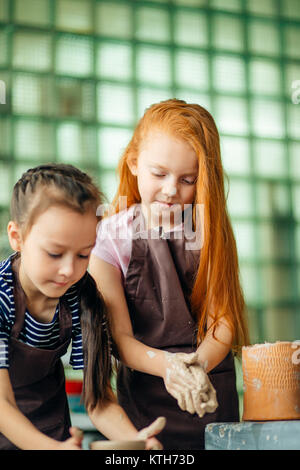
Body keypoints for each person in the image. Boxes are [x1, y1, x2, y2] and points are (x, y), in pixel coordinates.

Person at [89, 99, 250, 450]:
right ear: (134, 163)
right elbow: (120, 338)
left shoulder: (210, 231)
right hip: (146, 405)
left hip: (211, 394)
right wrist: (169, 367)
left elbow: (222, 321)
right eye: (158, 173)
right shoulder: (111, 237)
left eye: (187, 179)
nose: (171, 190)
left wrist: (196, 366)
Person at [0, 163, 165, 450]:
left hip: (53, 430)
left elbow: (98, 400)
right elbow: (2, 404)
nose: (68, 270)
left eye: (83, 254)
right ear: (17, 237)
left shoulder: (82, 299)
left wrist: (136, 440)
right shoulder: (3, 297)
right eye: (54, 253)